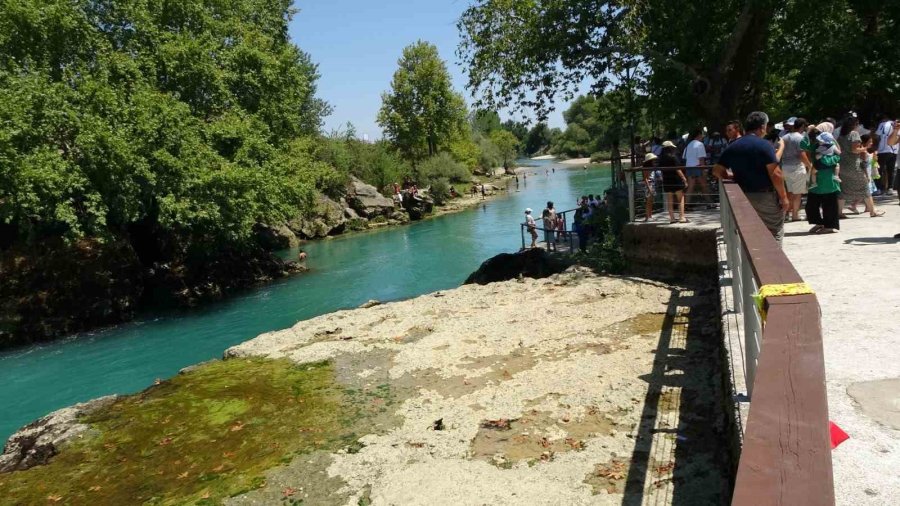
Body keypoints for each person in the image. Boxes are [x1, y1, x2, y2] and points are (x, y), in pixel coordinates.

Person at [713, 111, 790, 244]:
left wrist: (730, 176)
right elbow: (776, 173)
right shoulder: (765, 145)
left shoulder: (733, 147)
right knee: (774, 230)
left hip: (743, 196)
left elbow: (716, 170)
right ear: (762, 127)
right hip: (766, 196)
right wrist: (784, 197)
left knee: (752, 234)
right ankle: (772, 263)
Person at [837, 115, 883, 217]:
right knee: (865, 187)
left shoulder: (841, 136)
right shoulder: (854, 134)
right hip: (854, 165)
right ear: (855, 125)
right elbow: (854, 150)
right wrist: (865, 148)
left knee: (843, 189)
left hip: (842, 165)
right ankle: (872, 211)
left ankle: (839, 212)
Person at [803, 132, 842, 233]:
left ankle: (829, 226)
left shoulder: (832, 146)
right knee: (811, 205)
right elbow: (804, 146)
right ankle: (818, 222)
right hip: (816, 180)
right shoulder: (815, 145)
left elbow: (838, 157)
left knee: (829, 204)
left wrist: (824, 160)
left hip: (828, 179)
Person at [781, 118, 808, 221]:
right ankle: (795, 215)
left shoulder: (784, 137)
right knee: (797, 193)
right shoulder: (801, 138)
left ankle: (786, 214)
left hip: (785, 167)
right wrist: (809, 166)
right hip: (797, 167)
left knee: (789, 192)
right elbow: (802, 154)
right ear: (802, 127)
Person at [659, 141, 688, 223]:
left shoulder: (661, 159)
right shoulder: (673, 157)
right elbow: (678, 169)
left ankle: (672, 218)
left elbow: (661, 170)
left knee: (670, 200)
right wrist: (684, 178)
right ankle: (682, 217)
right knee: (680, 198)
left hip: (667, 180)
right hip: (676, 180)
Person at [683, 128, 712, 208]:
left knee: (690, 187)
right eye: (702, 134)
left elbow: (684, 158)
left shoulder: (688, 145)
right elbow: (701, 159)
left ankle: (686, 205)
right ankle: (709, 203)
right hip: (698, 167)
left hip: (689, 167)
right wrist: (704, 171)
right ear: (699, 135)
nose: (703, 136)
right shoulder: (700, 144)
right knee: (704, 185)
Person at [874, 114, 897, 195]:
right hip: (894, 150)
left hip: (883, 150)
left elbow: (877, 135)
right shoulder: (896, 124)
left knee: (879, 170)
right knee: (891, 170)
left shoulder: (882, 124)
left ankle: (878, 188)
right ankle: (890, 188)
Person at [640, 153, 659, 221]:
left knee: (651, 201)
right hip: (649, 185)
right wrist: (649, 188)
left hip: (652, 184)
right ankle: (647, 216)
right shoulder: (646, 168)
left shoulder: (651, 167)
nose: (654, 161)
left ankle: (649, 216)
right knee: (648, 201)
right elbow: (645, 179)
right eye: (653, 160)